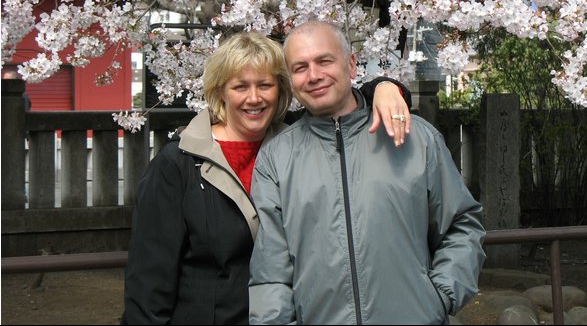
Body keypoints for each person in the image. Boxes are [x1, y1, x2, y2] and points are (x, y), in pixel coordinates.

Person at [121, 31, 412, 324]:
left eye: (265, 85)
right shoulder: (178, 164)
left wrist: (387, 87)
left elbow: (343, 101)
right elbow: (148, 283)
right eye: (240, 87)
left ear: (281, 90)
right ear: (221, 91)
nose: (254, 98)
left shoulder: (299, 144)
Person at [249, 20, 486, 325]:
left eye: (324, 61)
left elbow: (461, 225)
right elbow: (271, 271)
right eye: (300, 67)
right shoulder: (277, 158)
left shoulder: (417, 137)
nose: (314, 76)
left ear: (351, 65)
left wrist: (439, 297)